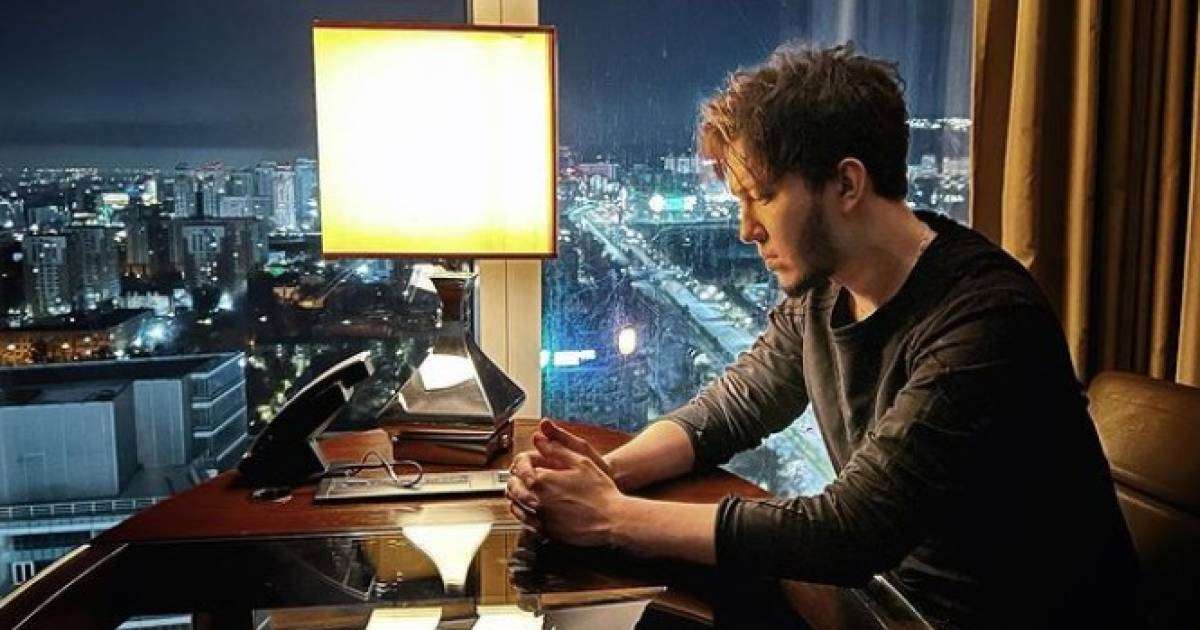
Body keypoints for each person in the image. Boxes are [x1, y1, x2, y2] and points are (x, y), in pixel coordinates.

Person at [506, 43, 1141, 628]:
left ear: (846, 184)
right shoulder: (827, 288)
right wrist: (602, 475)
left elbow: (849, 531)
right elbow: (733, 407)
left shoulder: (984, 321)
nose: (746, 229)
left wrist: (611, 516)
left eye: (762, 196)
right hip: (888, 600)